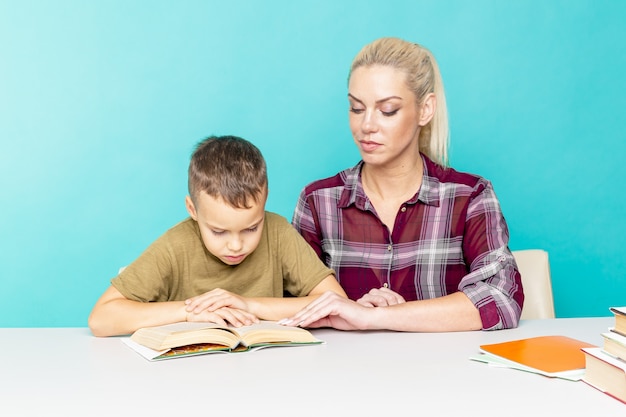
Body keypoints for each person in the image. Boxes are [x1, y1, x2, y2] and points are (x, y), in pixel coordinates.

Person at [282, 37, 523, 332]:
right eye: (357, 108)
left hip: (447, 374)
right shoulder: (317, 201)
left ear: (425, 110)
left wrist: (373, 317)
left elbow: (501, 299)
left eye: (388, 110)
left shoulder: (470, 196)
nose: (366, 125)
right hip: (344, 374)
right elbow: (289, 306)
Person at [88, 135, 347, 337]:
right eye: (218, 231)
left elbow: (335, 302)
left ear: (265, 199)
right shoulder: (175, 246)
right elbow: (101, 319)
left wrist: (247, 305)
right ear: (193, 210)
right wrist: (189, 313)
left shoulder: (277, 232)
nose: (236, 245)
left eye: (251, 228)